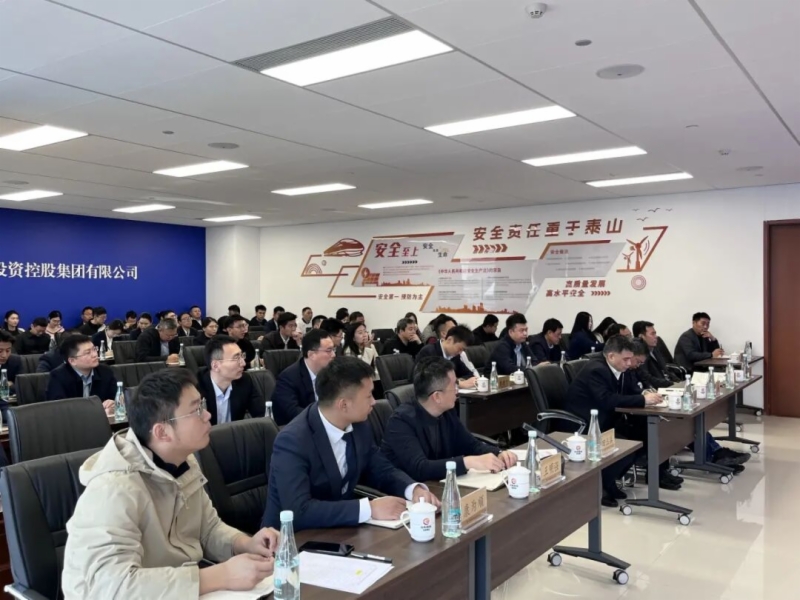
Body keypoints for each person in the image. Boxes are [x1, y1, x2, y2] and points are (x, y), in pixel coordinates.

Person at [61, 369, 279, 599]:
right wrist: (221, 576)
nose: (207, 415)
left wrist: (245, 544)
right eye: (196, 410)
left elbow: (207, 529)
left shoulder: (181, 461)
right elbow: (110, 587)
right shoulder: (113, 488)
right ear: (162, 432)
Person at [262, 356, 440, 531]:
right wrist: (369, 509)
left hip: (339, 530)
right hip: (289, 539)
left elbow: (379, 468)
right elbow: (299, 510)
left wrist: (413, 489)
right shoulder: (293, 441)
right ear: (343, 405)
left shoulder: (358, 424)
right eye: (368, 396)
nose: (374, 402)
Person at [633, 321, 749, 469]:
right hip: (657, 395)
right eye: (652, 333)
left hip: (667, 390)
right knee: (684, 422)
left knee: (691, 418)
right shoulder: (638, 356)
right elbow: (649, 379)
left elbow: (666, 371)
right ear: (641, 336)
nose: (656, 336)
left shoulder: (654, 350)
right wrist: (673, 385)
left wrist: (679, 382)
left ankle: (716, 452)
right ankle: (715, 454)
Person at [382, 357, 517, 481]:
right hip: (410, 492)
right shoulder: (401, 421)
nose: (457, 391)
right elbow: (420, 468)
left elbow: (471, 445)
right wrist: (468, 462)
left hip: (441, 484)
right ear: (437, 397)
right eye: (454, 386)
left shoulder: (447, 412)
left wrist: (499, 453)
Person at [564, 335, 662, 506]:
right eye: (626, 359)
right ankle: (601, 486)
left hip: (606, 419)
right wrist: (642, 400)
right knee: (628, 445)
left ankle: (609, 482)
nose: (629, 363)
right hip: (585, 422)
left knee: (643, 435)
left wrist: (644, 394)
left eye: (631, 359)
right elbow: (607, 400)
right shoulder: (597, 370)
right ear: (611, 356)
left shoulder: (619, 369)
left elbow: (629, 391)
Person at [272, 330, 335, 426]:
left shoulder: (332, 372)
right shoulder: (288, 378)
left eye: (333, 349)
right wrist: (326, 419)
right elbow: (293, 412)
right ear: (311, 355)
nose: (334, 355)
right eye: (329, 350)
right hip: (298, 427)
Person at [196, 335, 265, 425]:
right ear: (215, 366)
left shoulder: (245, 381)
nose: (243, 363)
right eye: (236, 358)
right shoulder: (196, 387)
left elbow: (262, 416)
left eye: (242, 356)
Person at [46, 334, 117, 411]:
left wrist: (112, 403)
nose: (95, 355)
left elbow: (116, 396)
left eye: (94, 349)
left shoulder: (105, 372)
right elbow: (58, 407)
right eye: (87, 353)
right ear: (72, 361)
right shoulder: (58, 377)